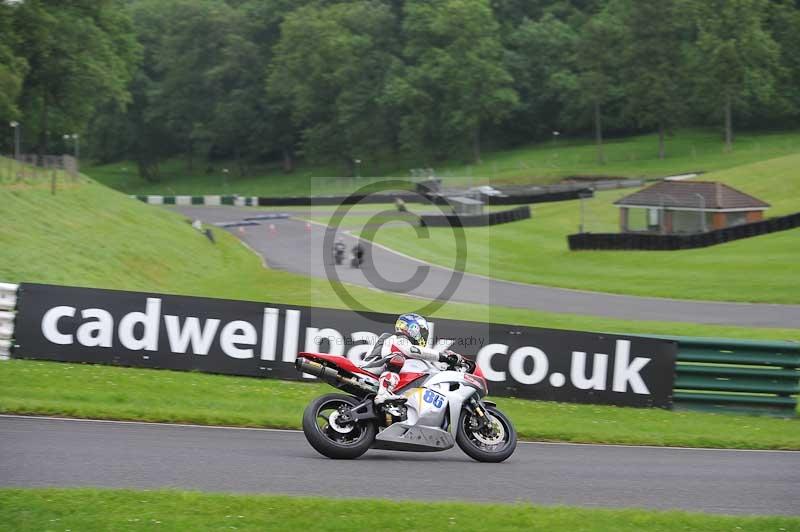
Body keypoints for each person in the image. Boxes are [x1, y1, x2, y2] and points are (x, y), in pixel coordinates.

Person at [360, 313, 461, 405]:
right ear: (413, 328)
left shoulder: (399, 341)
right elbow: (411, 350)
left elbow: (429, 367)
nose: (423, 336)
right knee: (397, 359)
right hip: (370, 368)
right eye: (422, 332)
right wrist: (443, 357)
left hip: (377, 369)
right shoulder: (398, 338)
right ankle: (383, 394)